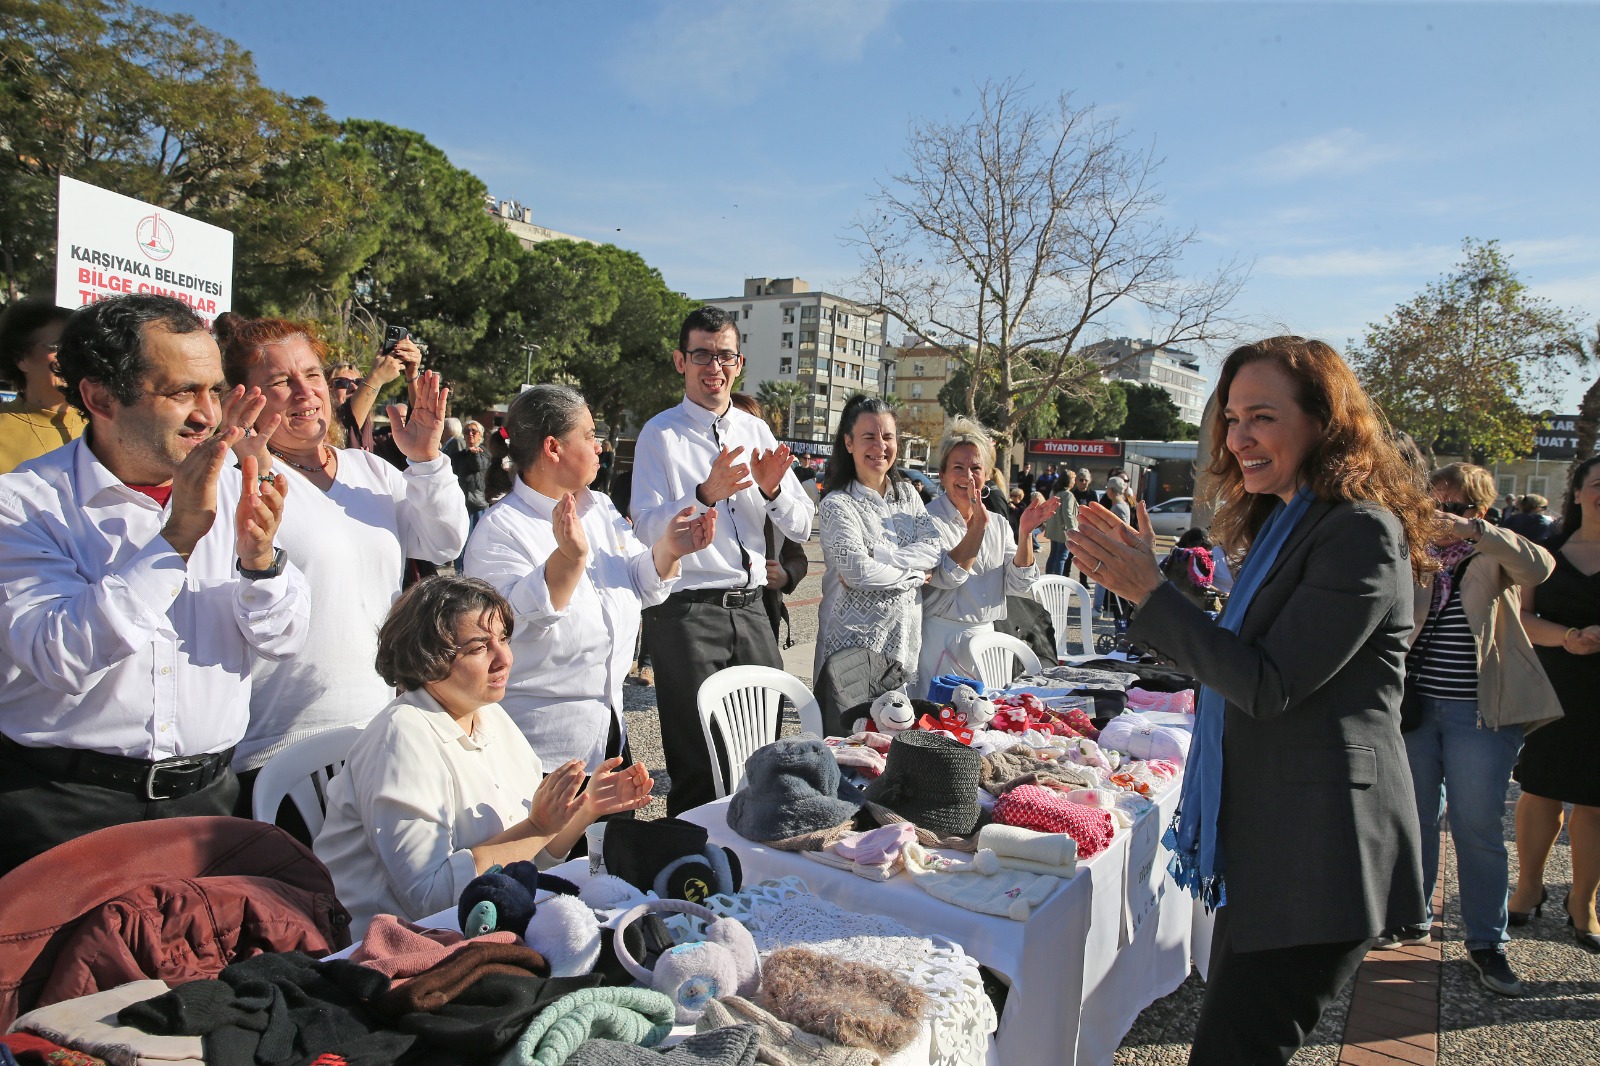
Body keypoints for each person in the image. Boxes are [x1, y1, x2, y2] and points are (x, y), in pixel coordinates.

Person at [1069, 335, 1429, 1065]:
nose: (1239, 439)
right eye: (1231, 419)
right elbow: (1237, 663)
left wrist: (1152, 594)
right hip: (1268, 845)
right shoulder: (1286, 521)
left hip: (1320, 854)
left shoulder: (1359, 531)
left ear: (1325, 421)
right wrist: (1160, 600)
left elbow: (1267, 683)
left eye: (1261, 416)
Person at [0, 294, 309, 875]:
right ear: (99, 397)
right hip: (63, 813)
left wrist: (262, 563)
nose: (206, 414)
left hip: (208, 805)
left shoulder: (233, 488)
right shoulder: (23, 505)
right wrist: (175, 540)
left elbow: (285, 637)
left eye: (214, 390)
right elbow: (58, 653)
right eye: (180, 392)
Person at [214, 314, 468, 819]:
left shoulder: (369, 470)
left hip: (375, 730)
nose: (304, 394)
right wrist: (250, 460)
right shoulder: (229, 480)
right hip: (276, 744)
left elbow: (443, 541)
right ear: (244, 397)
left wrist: (426, 460)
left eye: (311, 375)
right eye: (280, 382)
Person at [314, 575, 654, 938]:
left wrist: (584, 810)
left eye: (504, 639)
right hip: (393, 950)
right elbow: (429, 898)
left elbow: (532, 854)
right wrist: (538, 826)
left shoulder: (486, 713)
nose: (504, 657)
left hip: (478, 924)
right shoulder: (400, 736)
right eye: (478, 647)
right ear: (427, 658)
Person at [463, 384, 714, 771]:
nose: (599, 446)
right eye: (589, 435)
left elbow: (635, 581)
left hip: (609, 732)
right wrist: (567, 559)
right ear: (553, 448)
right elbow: (513, 626)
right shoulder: (500, 531)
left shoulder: (598, 507)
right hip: (540, 752)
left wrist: (668, 550)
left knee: (614, 834)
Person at [630, 306, 814, 815]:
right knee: (697, 762)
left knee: (761, 752)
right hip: (687, 613)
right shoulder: (660, 435)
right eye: (702, 355)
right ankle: (695, 875)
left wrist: (774, 488)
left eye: (725, 356)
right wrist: (703, 494)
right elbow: (644, 525)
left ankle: (753, 864)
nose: (714, 366)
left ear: (739, 363)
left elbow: (801, 524)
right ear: (680, 361)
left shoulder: (756, 431)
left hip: (755, 610)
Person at [1390, 462, 1559, 995]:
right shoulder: (1416, 552)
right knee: (1413, 819)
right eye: (1435, 505)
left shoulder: (1496, 553)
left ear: (1480, 511)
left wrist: (1475, 534)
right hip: (1416, 710)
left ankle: (1488, 940)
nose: (1442, 516)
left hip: (1479, 715)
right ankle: (1410, 914)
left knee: (1478, 829)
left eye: (1456, 507)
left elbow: (1541, 568)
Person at [1511, 454, 1600, 954]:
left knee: (1595, 801)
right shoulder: (1545, 552)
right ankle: (1528, 887)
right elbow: (1521, 616)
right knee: (1540, 788)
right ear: (1580, 491)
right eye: (1598, 483)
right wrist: (1567, 637)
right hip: (1555, 684)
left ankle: (1583, 902)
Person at [918, 417, 1053, 696]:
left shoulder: (999, 523)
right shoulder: (927, 520)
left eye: (976, 468)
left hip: (988, 639)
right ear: (942, 475)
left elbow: (1019, 585)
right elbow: (946, 577)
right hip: (941, 638)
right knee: (939, 721)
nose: (968, 476)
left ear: (987, 475)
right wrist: (977, 528)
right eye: (958, 468)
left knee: (985, 720)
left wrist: (1025, 534)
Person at [815, 394, 942, 687]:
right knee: (851, 732)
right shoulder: (838, 504)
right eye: (869, 437)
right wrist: (915, 576)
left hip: (903, 645)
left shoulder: (908, 495)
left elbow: (934, 549)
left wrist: (882, 557)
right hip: (852, 647)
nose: (880, 446)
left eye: (887, 437)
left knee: (899, 729)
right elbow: (859, 573)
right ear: (849, 443)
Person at [729, 393, 809, 648]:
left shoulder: (775, 495)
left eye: (748, 423)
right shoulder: (710, 490)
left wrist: (786, 576)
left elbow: (798, 554)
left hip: (765, 610)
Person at [0, 301, 87, 474]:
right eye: (56, 347)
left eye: (75, 346)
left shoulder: (104, 425)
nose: (69, 356)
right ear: (22, 359)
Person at [452, 419, 492, 538]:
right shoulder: (459, 456)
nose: (470, 434)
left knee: (476, 538)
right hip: (460, 503)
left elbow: (478, 466)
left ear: (480, 435)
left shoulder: (484, 453)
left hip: (477, 504)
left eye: (474, 431)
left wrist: (475, 454)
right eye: (467, 431)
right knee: (461, 539)